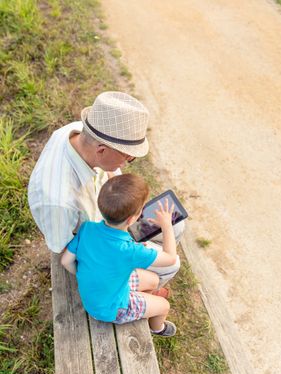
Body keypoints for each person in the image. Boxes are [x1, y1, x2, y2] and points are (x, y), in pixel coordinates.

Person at [28, 91, 183, 286]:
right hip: (102, 246)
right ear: (101, 150)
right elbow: (65, 251)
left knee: (177, 223)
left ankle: (147, 276)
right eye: (128, 156)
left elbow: (111, 174)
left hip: (113, 215)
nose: (128, 164)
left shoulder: (81, 132)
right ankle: (141, 288)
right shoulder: (58, 201)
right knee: (172, 264)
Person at [61, 173, 177, 337]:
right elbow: (170, 258)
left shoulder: (87, 228)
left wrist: (84, 274)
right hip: (111, 309)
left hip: (99, 294)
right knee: (164, 306)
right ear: (132, 220)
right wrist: (167, 226)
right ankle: (157, 328)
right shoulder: (130, 251)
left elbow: (66, 261)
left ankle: (144, 301)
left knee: (154, 279)